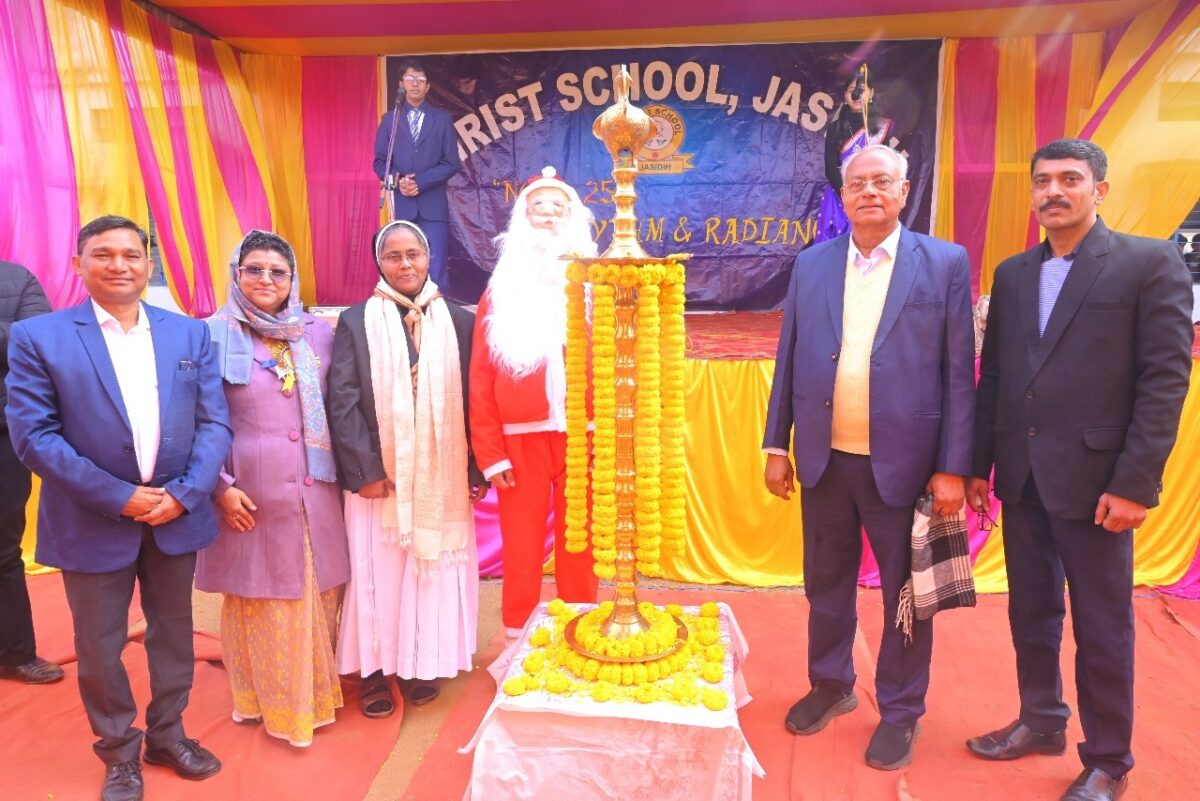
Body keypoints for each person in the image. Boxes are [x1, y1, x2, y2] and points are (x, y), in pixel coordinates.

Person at [965, 139, 1194, 801]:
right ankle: (1041, 720)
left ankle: (1108, 760)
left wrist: (1134, 482)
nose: (1054, 191)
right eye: (1043, 181)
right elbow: (997, 375)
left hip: (1100, 486)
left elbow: (1164, 379)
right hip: (1023, 478)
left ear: (1101, 189)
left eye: (1070, 178)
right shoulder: (1013, 274)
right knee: (1031, 612)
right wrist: (980, 464)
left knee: (1102, 625)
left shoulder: (1147, 262)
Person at [762, 144, 975, 771]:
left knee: (906, 596)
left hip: (906, 466)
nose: (870, 192)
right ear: (843, 194)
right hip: (825, 460)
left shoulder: (944, 262)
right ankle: (831, 683)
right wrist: (777, 445)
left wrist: (953, 466)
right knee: (826, 582)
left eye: (883, 181)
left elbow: (959, 371)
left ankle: (902, 710)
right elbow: (789, 356)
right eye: (857, 184)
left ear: (904, 191)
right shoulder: (812, 264)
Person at [5, 215, 231, 801]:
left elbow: (214, 423)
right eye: (103, 254)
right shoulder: (39, 337)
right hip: (90, 519)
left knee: (173, 634)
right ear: (78, 266)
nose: (119, 265)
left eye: (131, 254)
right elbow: (34, 436)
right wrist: (119, 496)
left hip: (174, 515)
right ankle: (119, 751)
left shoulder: (189, 334)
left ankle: (168, 734)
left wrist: (185, 494)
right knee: (100, 647)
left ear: (149, 265)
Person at [195, 231, 350, 747]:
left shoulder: (317, 332)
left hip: (317, 490)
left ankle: (314, 697)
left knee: (317, 593)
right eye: (254, 269)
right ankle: (270, 704)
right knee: (264, 597)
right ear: (236, 274)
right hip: (250, 496)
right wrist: (219, 488)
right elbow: (195, 418)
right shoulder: (210, 335)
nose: (266, 279)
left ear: (293, 279)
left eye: (277, 271)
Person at [329, 220, 486, 719]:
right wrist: (365, 472)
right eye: (393, 256)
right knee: (377, 575)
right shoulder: (357, 321)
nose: (405, 264)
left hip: (442, 475)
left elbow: (476, 400)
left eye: (412, 254)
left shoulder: (459, 321)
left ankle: (422, 663)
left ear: (427, 257)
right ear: (380, 263)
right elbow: (343, 401)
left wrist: (474, 470)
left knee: (430, 568)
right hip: (381, 481)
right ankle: (375, 672)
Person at [469, 167, 600, 638]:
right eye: (537, 207)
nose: (547, 215)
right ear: (521, 220)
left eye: (557, 207)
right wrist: (490, 453)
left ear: (573, 219)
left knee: (580, 540)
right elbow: (481, 376)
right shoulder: (500, 290)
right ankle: (516, 634)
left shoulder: (596, 285)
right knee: (521, 543)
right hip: (518, 441)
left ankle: (580, 626)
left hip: (583, 436)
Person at [0, 261, 63, 686]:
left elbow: (36, 341)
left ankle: (14, 652)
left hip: (3, 433)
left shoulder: (17, 279)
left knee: (3, 549)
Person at [374, 59, 462, 293]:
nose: (415, 84)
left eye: (421, 80)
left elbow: (452, 163)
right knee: (404, 265)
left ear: (428, 87)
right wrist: (399, 180)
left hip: (433, 207)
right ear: (400, 84)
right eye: (410, 79)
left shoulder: (441, 119)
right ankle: (405, 309)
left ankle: (437, 310)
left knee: (435, 263)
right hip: (403, 206)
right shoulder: (390, 120)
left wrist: (420, 182)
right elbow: (380, 163)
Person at [815, 70, 895, 243]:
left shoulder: (881, 129)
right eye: (852, 89)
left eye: (862, 89)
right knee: (835, 249)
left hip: (870, 199)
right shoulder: (835, 128)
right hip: (840, 197)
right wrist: (850, 195)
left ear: (871, 93)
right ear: (845, 95)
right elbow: (830, 169)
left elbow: (885, 169)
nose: (856, 94)